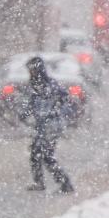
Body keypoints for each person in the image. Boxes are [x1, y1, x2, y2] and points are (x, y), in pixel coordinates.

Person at [18, 56, 74, 194]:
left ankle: (62, 184)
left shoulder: (49, 86)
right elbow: (31, 106)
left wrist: (54, 115)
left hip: (51, 127)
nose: (30, 73)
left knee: (43, 155)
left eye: (32, 70)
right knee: (40, 154)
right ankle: (51, 183)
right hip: (43, 127)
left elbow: (64, 103)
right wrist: (23, 116)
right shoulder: (35, 87)